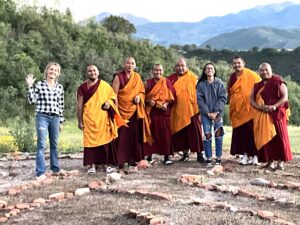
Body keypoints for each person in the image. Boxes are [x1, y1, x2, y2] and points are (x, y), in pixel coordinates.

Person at [77, 64, 125, 174]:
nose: (92, 73)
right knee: (90, 144)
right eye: (90, 71)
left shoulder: (105, 86)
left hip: (103, 119)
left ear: (98, 72)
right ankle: (92, 166)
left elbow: (113, 98)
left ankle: (106, 165)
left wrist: (109, 103)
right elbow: (79, 105)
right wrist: (79, 121)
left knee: (105, 143)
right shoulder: (82, 87)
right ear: (86, 73)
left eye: (94, 71)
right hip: (89, 118)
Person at [112, 57, 153, 168]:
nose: (130, 65)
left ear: (135, 65)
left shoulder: (137, 77)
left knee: (134, 136)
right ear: (124, 64)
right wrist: (116, 110)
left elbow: (142, 92)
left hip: (134, 110)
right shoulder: (118, 77)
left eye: (132, 63)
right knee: (122, 136)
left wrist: (139, 97)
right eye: (128, 63)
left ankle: (133, 159)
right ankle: (120, 160)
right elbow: (114, 95)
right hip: (121, 110)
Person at [26, 62, 65, 179]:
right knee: (41, 144)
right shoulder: (39, 85)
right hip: (42, 116)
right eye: (51, 69)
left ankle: (55, 168)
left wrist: (61, 121)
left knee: (54, 144)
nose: (53, 72)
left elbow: (61, 104)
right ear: (47, 71)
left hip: (55, 117)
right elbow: (31, 100)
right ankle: (40, 172)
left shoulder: (59, 87)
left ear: (58, 73)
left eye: (55, 70)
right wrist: (29, 86)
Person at [250, 63, 292, 170]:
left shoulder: (278, 81)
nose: (264, 72)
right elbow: (251, 101)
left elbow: (285, 97)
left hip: (277, 114)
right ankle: (270, 162)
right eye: (262, 70)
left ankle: (280, 163)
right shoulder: (257, 86)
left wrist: (274, 106)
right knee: (267, 139)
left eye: (266, 70)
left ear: (271, 70)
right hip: (263, 114)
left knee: (280, 138)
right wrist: (259, 108)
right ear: (259, 72)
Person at [167, 58, 204, 162]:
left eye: (183, 65)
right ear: (175, 68)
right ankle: (185, 154)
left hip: (192, 110)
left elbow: (200, 93)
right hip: (177, 110)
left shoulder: (193, 78)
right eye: (178, 66)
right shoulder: (170, 79)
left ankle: (199, 154)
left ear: (186, 67)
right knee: (181, 133)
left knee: (195, 133)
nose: (181, 68)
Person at [227, 56, 261, 165]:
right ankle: (245, 155)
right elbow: (230, 91)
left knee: (252, 134)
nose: (237, 65)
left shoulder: (252, 75)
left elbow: (260, 89)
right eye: (235, 63)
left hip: (250, 110)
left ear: (243, 63)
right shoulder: (232, 77)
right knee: (242, 134)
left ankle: (256, 156)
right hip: (238, 111)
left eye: (239, 63)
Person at [144, 64, 176, 165]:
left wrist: (166, 104)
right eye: (156, 70)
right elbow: (143, 97)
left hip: (164, 113)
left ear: (163, 71)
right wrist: (149, 101)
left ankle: (166, 157)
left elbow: (173, 97)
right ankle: (149, 157)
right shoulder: (148, 83)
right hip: (152, 112)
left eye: (160, 71)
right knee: (151, 133)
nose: (158, 72)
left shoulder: (166, 82)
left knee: (165, 135)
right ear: (153, 71)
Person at [197, 63, 227, 167]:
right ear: (204, 71)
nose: (209, 70)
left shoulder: (219, 83)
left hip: (218, 114)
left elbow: (223, 98)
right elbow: (200, 100)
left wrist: (216, 111)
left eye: (211, 68)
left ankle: (218, 158)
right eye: (207, 68)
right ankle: (208, 158)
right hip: (206, 114)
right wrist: (208, 112)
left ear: (214, 70)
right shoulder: (201, 85)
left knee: (219, 135)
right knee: (207, 136)